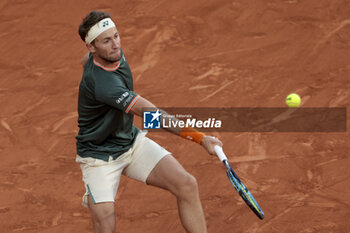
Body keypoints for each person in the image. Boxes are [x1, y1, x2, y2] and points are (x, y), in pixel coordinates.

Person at [76, 10, 223, 233]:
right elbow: (151, 114)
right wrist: (200, 138)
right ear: (92, 47)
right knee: (105, 223)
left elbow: (85, 60)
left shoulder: (106, 54)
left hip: (130, 142)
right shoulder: (105, 85)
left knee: (187, 184)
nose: (115, 44)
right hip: (99, 157)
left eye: (116, 36)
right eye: (106, 41)